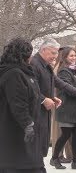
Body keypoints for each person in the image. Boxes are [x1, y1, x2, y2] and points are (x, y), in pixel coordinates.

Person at [30, 38, 76, 163]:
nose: (55, 56)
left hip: (45, 109)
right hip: (36, 111)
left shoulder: (46, 66)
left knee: (41, 146)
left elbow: (58, 83)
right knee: (36, 145)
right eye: (53, 53)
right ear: (43, 50)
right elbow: (30, 88)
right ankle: (50, 160)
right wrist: (43, 99)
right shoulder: (34, 64)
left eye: (57, 53)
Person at [0, 38, 44, 173]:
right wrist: (27, 124)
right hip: (18, 132)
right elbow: (18, 102)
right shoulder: (13, 73)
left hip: (27, 130)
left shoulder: (24, 72)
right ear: (24, 55)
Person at [50, 47, 76, 170]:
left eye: (75, 56)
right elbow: (68, 89)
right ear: (65, 57)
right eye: (71, 56)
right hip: (67, 108)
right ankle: (54, 158)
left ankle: (75, 161)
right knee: (65, 135)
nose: (74, 58)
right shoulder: (63, 71)